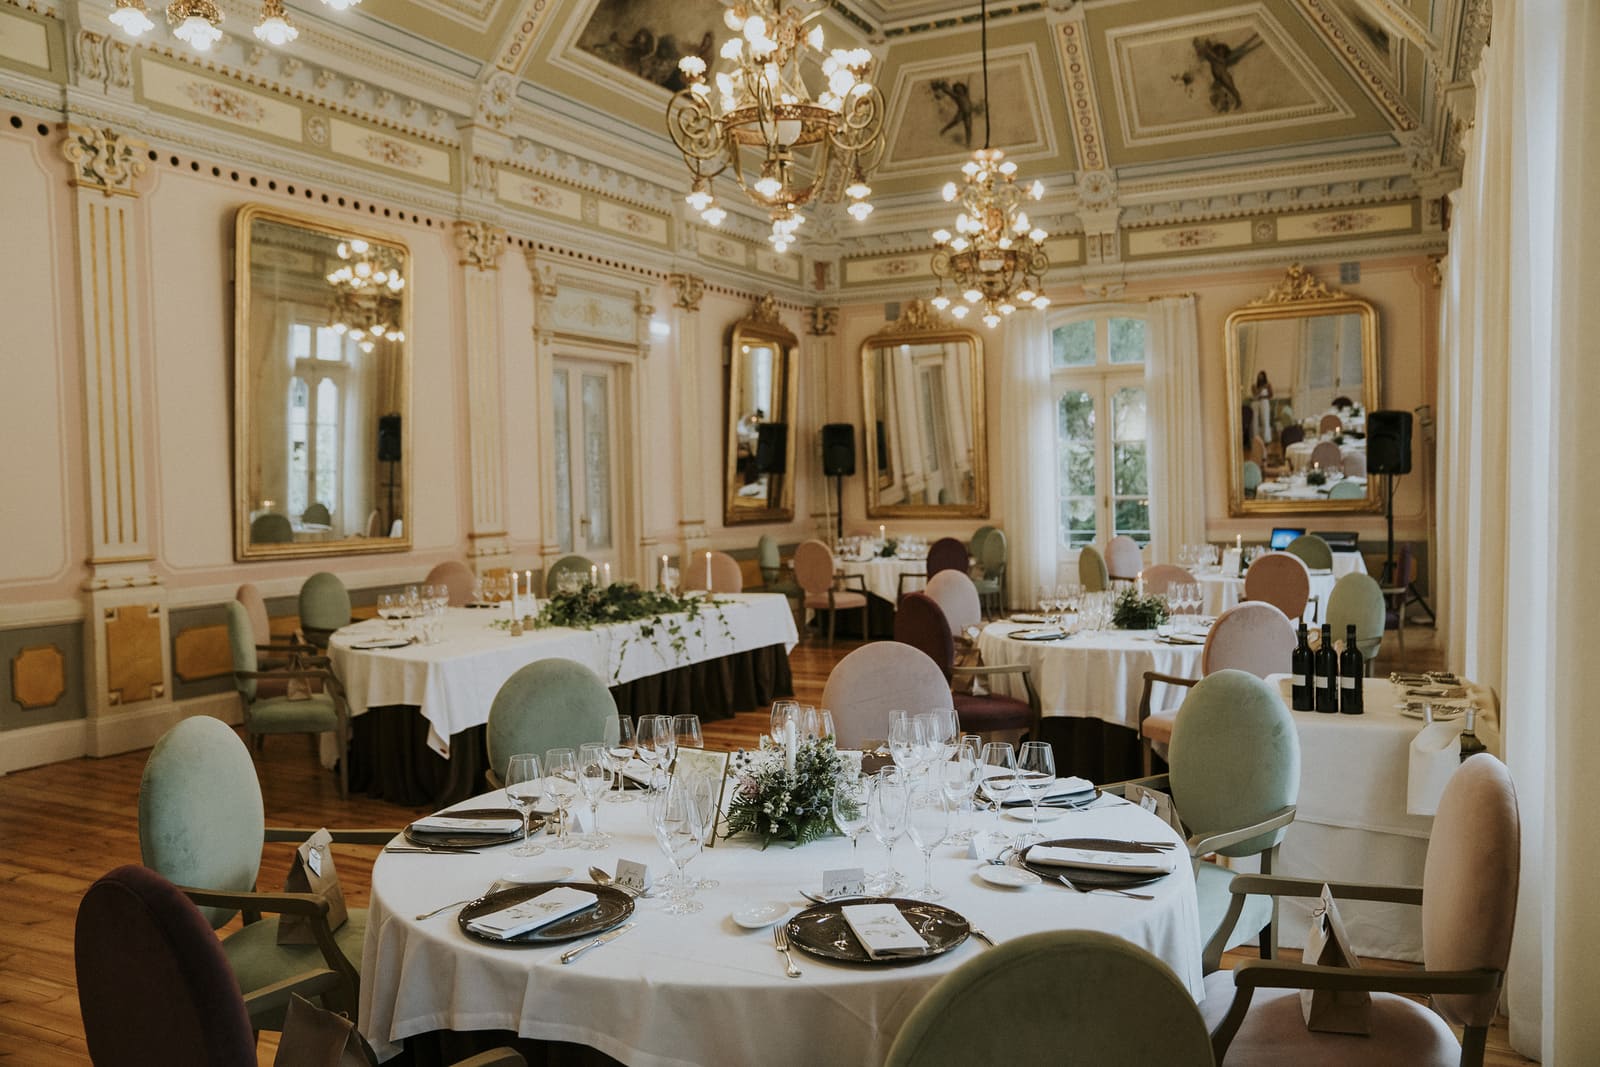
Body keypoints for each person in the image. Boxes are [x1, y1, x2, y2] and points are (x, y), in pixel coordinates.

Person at [1252, 370, 1275, 444]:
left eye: (1261, 376)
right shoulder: (1254, 385)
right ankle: (1256, 439)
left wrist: (1262, 396)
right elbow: (1255, 394)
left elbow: (1271, 395)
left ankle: (1266, 439)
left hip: (1265, 402)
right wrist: (1261, 389)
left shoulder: (1268, 385)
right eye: (1259, 376)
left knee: (1265, 420)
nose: (1260, 378)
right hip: (1256, 403)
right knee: (1255, 421)